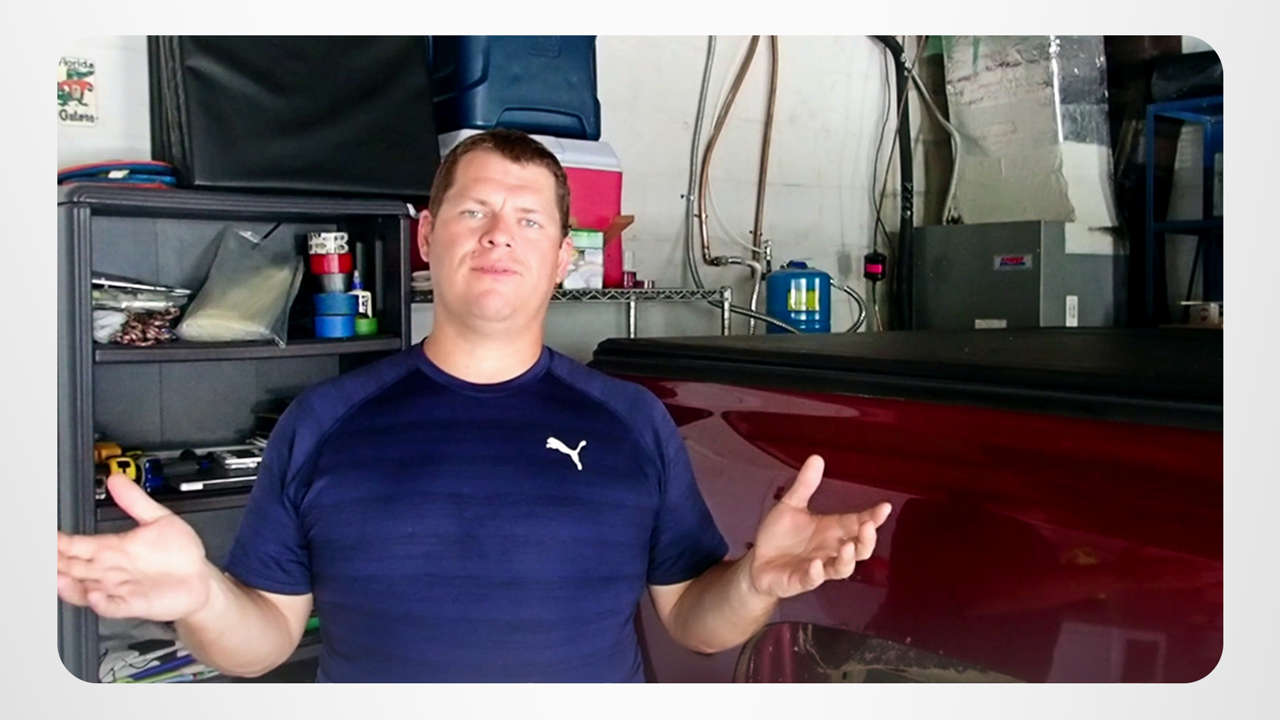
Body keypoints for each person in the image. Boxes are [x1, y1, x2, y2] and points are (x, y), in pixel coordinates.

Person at [56, 128, 893, 682]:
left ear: (563, 258)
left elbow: (698, 622)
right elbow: (264, 640)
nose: (499, 234)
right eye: (475, 211)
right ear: (427, 237)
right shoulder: (323, 422)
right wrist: (202, 598)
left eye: (529, 221)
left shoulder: (632, 423)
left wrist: (755, 580)